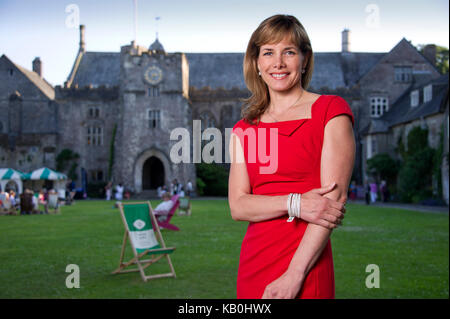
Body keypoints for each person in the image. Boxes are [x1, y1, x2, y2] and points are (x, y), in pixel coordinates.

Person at [228, 15, 355, 299]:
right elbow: (238, 206)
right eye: (268, 53)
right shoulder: (244, 128)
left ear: (305, 59)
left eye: (289, 52)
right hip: (255, 260)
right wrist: (295, 202)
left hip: (306, 263)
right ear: (257, 62)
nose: (278, 63)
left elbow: (332, 201)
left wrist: (294, 274)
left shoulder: (331, 111)